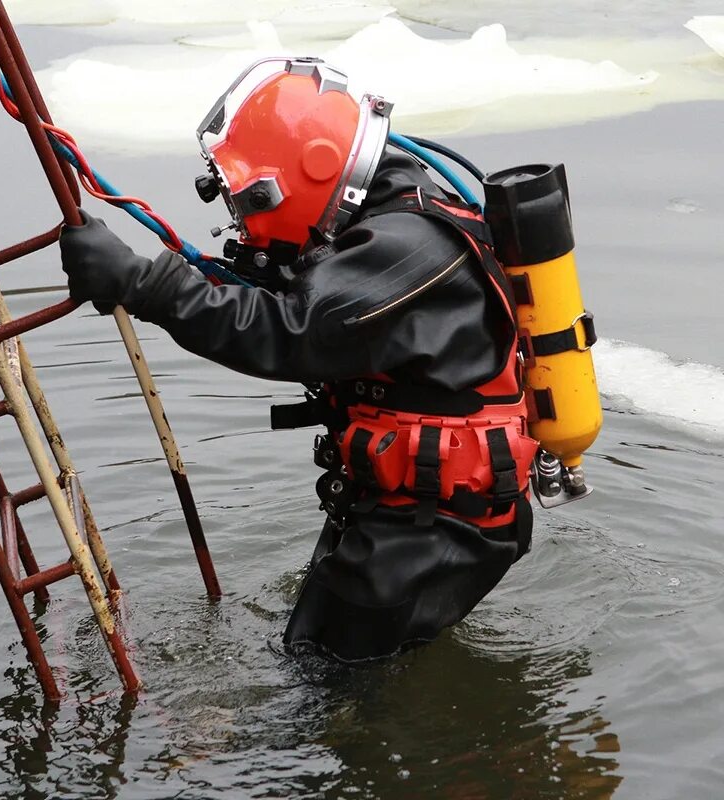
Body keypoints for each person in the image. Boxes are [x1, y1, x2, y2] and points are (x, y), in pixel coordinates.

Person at [59, 57, 537, 662]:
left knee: (323, 689)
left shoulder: (410, 247)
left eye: (251, 202)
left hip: (438, 527)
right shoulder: (382, 213)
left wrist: (144, 284)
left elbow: (292, 331)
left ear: (310, 169)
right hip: (404, 507)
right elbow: (308, 293)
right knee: (311, 656)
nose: (245, 225)